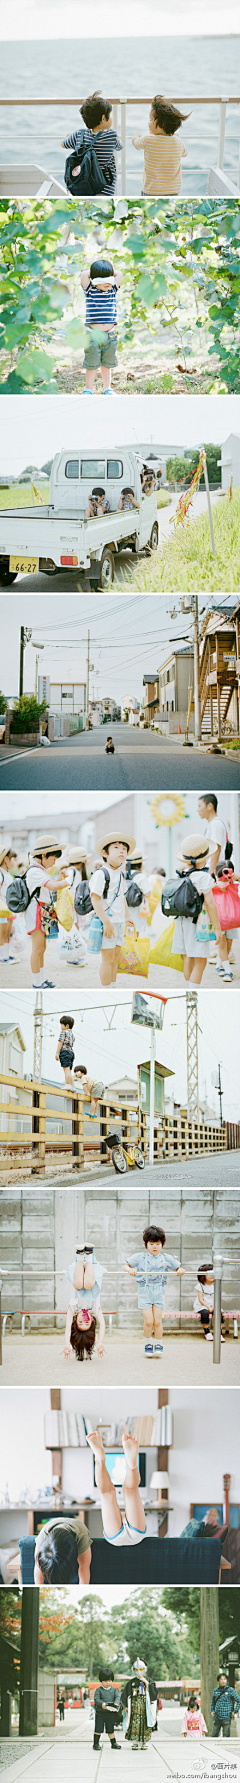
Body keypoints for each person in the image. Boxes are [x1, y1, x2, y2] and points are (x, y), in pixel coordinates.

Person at [171, 833, 229, 984]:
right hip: (197, 924)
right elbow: (210, 904)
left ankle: (189, 985)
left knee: (187, 958)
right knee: (201, 962)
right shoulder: (203, 877)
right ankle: (192, 988)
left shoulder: (180, 875)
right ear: (203, 859)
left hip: (181, 922)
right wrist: (217, 929)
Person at [124, 1223, 184, 1356]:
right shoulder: (140, 1257)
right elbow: (126, 1266)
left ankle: (159, 1344)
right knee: (148, 1321)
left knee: (157, 1321)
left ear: (162, 1244)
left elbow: (178, 1268)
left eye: (157, 1243)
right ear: (145, 1244)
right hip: (144, 1291)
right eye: (151, 1243)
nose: (155, 1246)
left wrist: (180, 1270)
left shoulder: (166, 1258)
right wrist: (130, 1269)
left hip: (158, 1291)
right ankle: (148, 1343)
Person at [89, 827, 135, 986]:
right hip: (107, 923)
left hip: (119, 922)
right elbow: (95, 900)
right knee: (107, 959)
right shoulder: (101, 874)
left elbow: (122, 897)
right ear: (104, 853)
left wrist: (128, 916)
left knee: (116, 957)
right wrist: (106, 922)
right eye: (116, 847)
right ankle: (106, 988)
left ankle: (113, 986)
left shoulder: (120, 874)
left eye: (124, 849)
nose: (121, 851)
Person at [86, 1428, 147, 1546]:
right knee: (120, 1492)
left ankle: (100, 1459)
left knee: (122, 1492)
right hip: (130, 1536)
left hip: (121, 1537)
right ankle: (131, 1465)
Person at [198, 795, 234, 980]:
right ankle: (223, 962)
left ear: (209, 806)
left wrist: (209, 875)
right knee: (224, 922)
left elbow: (216, 850)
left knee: (222, 921)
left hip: (219, 878)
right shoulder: (215, 824)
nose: (198, 809)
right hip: (221, 877)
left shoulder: (216, 825)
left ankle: (225, 964)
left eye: (200, 806)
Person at [62, 92, 122, 196]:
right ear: (103, 119)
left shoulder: (78, 135)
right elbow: (119, 146)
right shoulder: (111, 136)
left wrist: (69, 136)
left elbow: (63, 144)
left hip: (83, 188)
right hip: (105, 189)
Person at [23, 835, 64, 989]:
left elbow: (49, 886)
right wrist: (66, 882)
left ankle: (41, 979)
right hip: (37, 910)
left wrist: (58, 879)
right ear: (44, 855)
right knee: (38, 948)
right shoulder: (34, 871)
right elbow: (52, 887)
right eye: (53, 858)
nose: (55, 862)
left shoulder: (39, 870)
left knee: (42, 948)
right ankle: (37, 982)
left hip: (43, 909)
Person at [132, 94, 188, 196]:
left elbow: (136, 144)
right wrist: (176, 137)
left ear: (161, 125)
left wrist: (135, 136)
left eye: (150, 120)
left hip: (151, 190)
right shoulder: (178, 141)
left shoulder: (147, 140)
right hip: (172, 191)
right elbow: (185, 153)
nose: (148, 123)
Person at [81, 258, 122, 394]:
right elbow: (83, 275)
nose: (107, 282)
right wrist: (95, 273)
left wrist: (108, 271)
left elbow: (119, 274)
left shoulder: (112, 290)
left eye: (109, 278)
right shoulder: (90, 291)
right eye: (102, 279)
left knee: (107, 364)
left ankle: (107, 388)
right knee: (92, 364)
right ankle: (88, 389)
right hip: (93, 335)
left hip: (110, 335)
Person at [61, 1245, 106, 1362]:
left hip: (78, 1268)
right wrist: (100, 1342)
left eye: (81, 1322)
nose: (84, 1319)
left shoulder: (73, 1309)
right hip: (92, 1269)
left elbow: (67, 1327)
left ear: (75, 1320)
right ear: (92, 1321)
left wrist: (67, 1344)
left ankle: (80, 1254)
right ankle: (89, 1254)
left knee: (78, 1284)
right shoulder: (95, 1309)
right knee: (89, 1284)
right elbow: (102, 1324)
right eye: (87, 1322)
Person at [34, 1516, 91, 1585]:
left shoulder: (81, 1536)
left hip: (77, 1528)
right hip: (51, 1524)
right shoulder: (42, 1538)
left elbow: (84, 1567)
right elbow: (38, 1568)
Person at [121, 1658, 157, 1748]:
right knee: (134, 1723)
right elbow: (125, 1694)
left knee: (146, 1723)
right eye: (136, 1670)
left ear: (145, 1669)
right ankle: (135, 1742)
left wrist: (146, 1683)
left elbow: (154, 1694)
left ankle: (145, 1742)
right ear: (133, 1670)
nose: (138, 1672)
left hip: (146, 1708)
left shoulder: (149, 1681)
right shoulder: (131, 1682)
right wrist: (126, 1706)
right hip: (134, 1708)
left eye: (141, 1669)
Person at [193, 1264, 225, 1342]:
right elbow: (200, 1299)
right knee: (205, 1313)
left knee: (218, 1313)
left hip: (214, 1304)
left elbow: (217, 1298)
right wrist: (208, 1307)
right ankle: (207, 1332)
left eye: (214, 1273)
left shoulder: (217, 1285)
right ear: (203, 1275)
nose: (212, 1276)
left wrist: (213, 1307)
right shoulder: (200, 1285)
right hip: (202, 1305)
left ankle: (219, 1334)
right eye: (209, 1274)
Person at [93, 1669, 121, 1751]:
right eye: (105, 1681)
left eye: (109, 1681)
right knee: (98, 1729)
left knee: (110, 1729)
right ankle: (96, 1743)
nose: (108, 1683)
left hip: (110, 1713)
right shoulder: (99, 1690)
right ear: (101, 1681)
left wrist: (116, 1703)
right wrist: (102, 1704)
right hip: (100, 1713)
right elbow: (96, 1699)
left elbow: (117, 1697)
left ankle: (113, 1743)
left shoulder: (114, 1689)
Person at [211, 1672, 240, 1737]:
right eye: (221, 1679)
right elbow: (212, 1702)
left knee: (226, 1736)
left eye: (225, 1679)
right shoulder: (216, 1690)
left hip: (227, 1717)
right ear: (218, 1681)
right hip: (217, 1717)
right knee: (213, 1736)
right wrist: (212, 1710)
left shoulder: (231, 1690)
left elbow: (238, 1701)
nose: (223, 1681)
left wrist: (235, 1711)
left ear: (227, 1681)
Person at [55, 1014, 75, 1087]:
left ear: (66, 1026)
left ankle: (67, 1085)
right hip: (71, 1052)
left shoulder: (63, 1032)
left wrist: (57, 1053)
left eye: (61, 1025)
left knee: (66, 1070)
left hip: (65, 1051)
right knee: (69, 1070)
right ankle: (72, 1086)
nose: (61, 1027)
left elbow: (60, 1042)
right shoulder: (72, 1034)